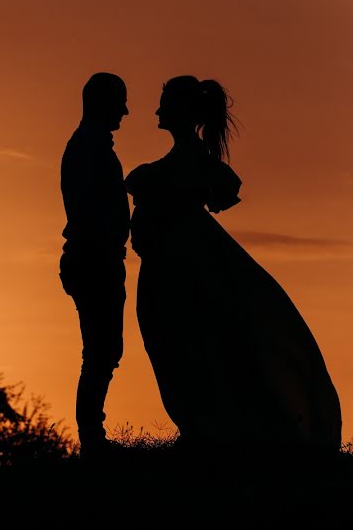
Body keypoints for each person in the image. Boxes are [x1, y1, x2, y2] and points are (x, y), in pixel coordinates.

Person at [125, 76, 341, 454]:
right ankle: (206, 429)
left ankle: (209, 430)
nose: (157, 110)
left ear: (182, 110)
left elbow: (189, 199)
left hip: (182, 270)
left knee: (188, 346)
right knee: (178, 346)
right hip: (172, 266)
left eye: (164, 103)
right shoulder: (187, 163)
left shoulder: (189, 165)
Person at [59, 72, 130, 455]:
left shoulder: (92, 145)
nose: (126, 111)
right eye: (119, 102)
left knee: (104, 350)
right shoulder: (88, 147)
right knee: (100, 351)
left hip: (95, 258)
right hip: (93, 260)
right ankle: (92, 437)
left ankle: (93, 435)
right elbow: (91, 210)